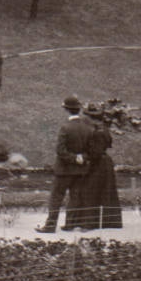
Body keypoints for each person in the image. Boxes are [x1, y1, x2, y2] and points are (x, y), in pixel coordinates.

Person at [38, 95, 91, 233]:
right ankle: (70, 224)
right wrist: (81, 158)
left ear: (66, 110)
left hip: (64, 170)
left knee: (56, 197)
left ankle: (50, 226)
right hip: (80, 169)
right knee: (75, 197)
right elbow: (90, 150)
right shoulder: (87, 128)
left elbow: (60, 150)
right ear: (78, 110)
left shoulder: (65, 127)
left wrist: (73, 158)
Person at [73, 103, 123, 231]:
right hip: (102, 163)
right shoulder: (101, 129)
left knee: (90, 190)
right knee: (103, 191)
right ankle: (106, 221)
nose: (85, 119)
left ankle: (89, 223)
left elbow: (96, 152)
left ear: (92, 118)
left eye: (87, 116)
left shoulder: (99, 132)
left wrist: (84, 157)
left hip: (99, 164)